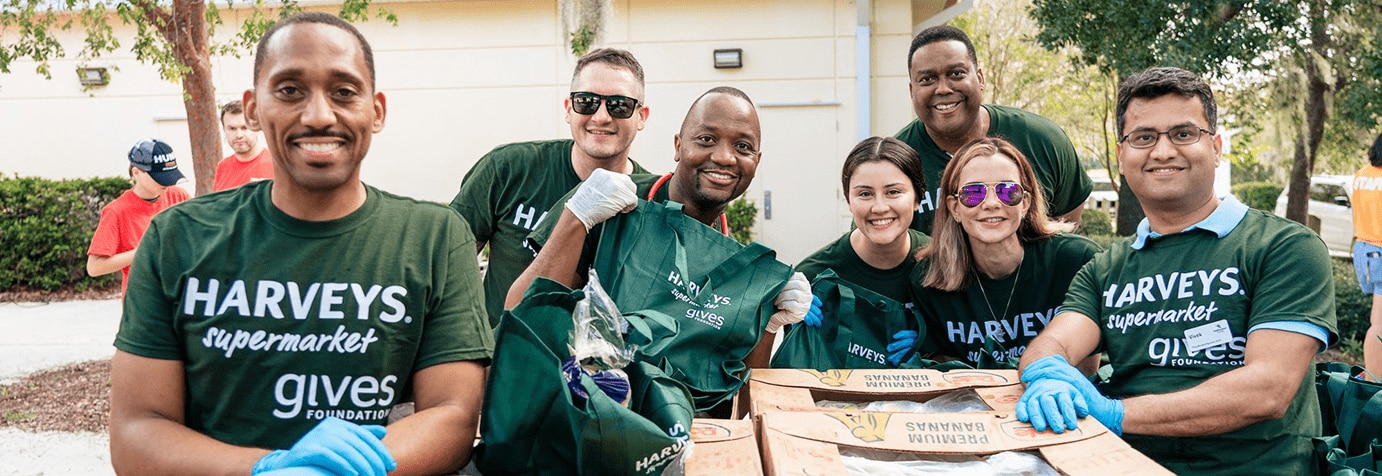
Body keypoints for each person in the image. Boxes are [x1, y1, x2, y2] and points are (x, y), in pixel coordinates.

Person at [109, 12, 493, 476]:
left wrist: (340, 471)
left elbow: (451, 417)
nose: (318, 115)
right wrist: (271, 467)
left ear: (376, 111)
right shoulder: (178, 237)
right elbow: (136, 430)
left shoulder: (434, 237)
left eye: (344, 92)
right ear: (252, 108)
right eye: (289, 90)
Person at [1015, 67, 1336, 475]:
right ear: (1121, 156)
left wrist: (1112, 412)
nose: (1163, 151)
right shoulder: (1104, 269)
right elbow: (1053, 345)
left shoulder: (1283, 247)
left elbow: (1267, 391)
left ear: (1216, 147)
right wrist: (1045, 372)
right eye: (1144, 137)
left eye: (1183, 134)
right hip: (1120, 466)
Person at [506, 86, 809, 378]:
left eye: (743, 147)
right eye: (706, 139)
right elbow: (521, 313)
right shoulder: (611, 202)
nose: (724, 157)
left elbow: (736, 394)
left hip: (679, 425)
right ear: (678, 146)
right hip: (582, 409)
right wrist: (576, 218)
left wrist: (769, 325)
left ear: (756, 160)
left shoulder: (739, 271)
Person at [449, 48, 653, 326]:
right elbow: (447, 265)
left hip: (606, 365)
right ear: (569, 109)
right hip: (505, 355)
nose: (602, 116)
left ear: (642, 116)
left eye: (619, 105)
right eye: (586, 101)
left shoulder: (652, 201)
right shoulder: (509, 168)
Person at [911, 137, 1101, 370]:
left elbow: (1088, 368)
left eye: (1007, 191)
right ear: (954, 208)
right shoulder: (929, 278)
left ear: (1025, 204)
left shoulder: (1075, 261)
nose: (991, 203)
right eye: (973, 193)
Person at [895, 25, 1090, 234]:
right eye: (927, 79)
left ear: (980, 78)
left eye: (956, 73)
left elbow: (1068, 225)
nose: (943, 88)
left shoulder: (1042, 139)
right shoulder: (896, 163)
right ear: (911, 90)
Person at [785, 136, 930, 366]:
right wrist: (785, 320)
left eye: (893, 192)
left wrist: (929, 347)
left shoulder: (941, 265)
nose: (880, 207)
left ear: (917, 198)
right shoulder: (814, 277)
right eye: (865, 194)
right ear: (849, 201)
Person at [86, 138, 191, 298]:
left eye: (170, 175)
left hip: (179, 296)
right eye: (160, 177)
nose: (168, 183)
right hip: (143, 302)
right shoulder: (117, 211)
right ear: (136, 173)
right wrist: (144, 250)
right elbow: (94, 267)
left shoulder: (179, 196)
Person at [1354, 133, 1382, 379]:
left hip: (1365, 249)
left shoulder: (1363, 174)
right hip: (1380, 248)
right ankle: (1374, 377)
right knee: (1380, 323)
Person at [213, 99, 274, 192]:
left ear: (256, 127)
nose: (239, 135)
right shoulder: (222, 167)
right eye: (232, 128)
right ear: (224, 129)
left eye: (244, 128)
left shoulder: (277, 165)